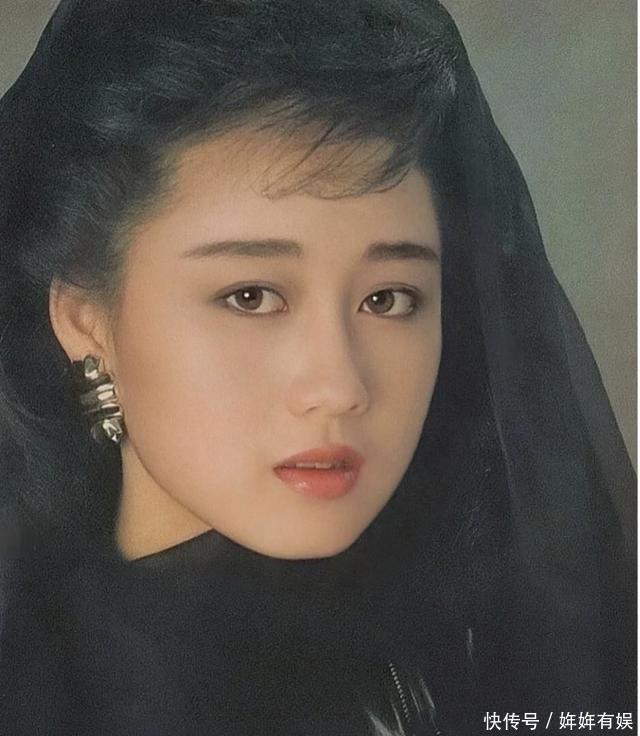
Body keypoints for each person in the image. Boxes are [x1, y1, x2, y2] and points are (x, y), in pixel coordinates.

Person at [0, 1, 635, 734]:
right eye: (251, 295)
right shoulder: (43, 694)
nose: (339, 386)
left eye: (388, 298)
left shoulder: (474, 647)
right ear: (87, 320)